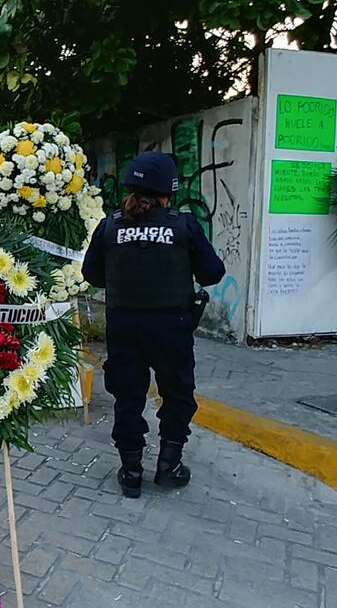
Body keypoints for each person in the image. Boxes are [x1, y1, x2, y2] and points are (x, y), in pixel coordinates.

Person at [82, 152, 225, 497]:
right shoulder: (183, 225)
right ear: (167, 191)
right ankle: (168, 466)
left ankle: (131, 472)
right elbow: (212, 273)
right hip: (172, 328)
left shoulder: (110, 225)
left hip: (124, 327)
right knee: (176, 395)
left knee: (128, 397)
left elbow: (91, 275)